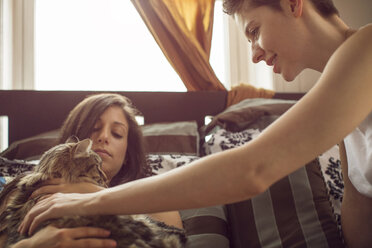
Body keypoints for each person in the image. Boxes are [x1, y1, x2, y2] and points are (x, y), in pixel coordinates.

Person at [20, 0, 372, 247]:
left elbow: (251, 170)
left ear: (293, 3)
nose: (254, 53)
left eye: (254, 30)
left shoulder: (367, 46)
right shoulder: (345, 114)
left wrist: (90, 202)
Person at [1, 93, 182, 248]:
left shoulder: (155, 203)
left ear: (127, 154)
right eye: (94, 128)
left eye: (117, 133)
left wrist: (96, 194)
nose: (103, 137)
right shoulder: (24, 190)